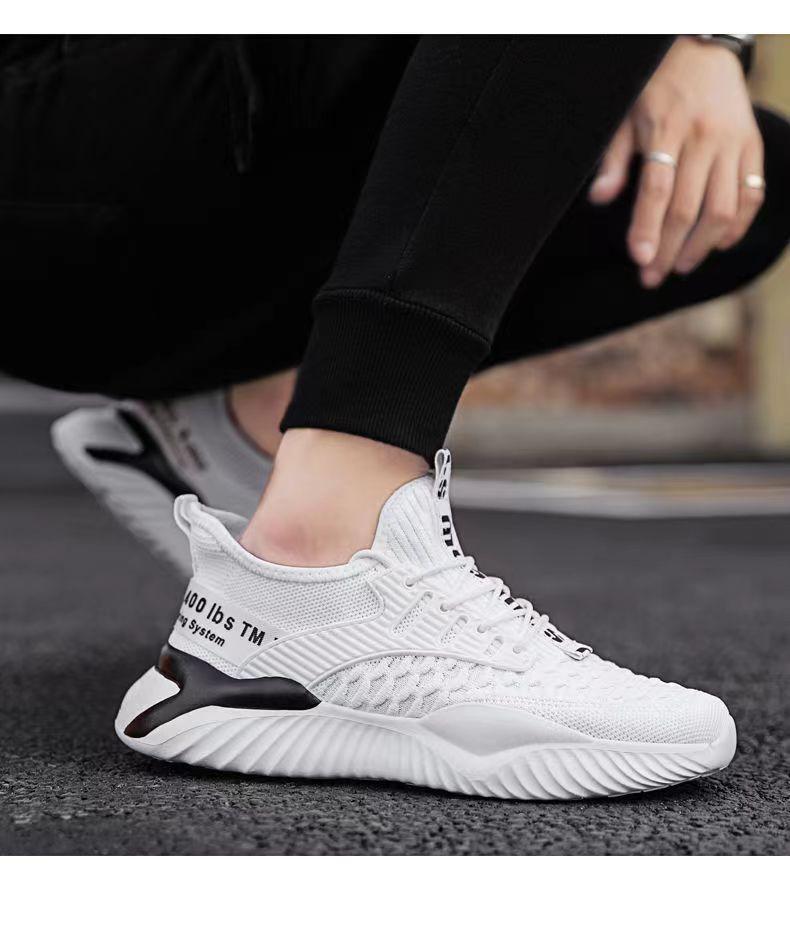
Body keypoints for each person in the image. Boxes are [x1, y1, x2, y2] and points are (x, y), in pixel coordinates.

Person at [3, 36, 788, 798]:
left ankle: (251, 424)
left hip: (159, 214)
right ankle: (324, 539)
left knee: (740, 179)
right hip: (54, 133)